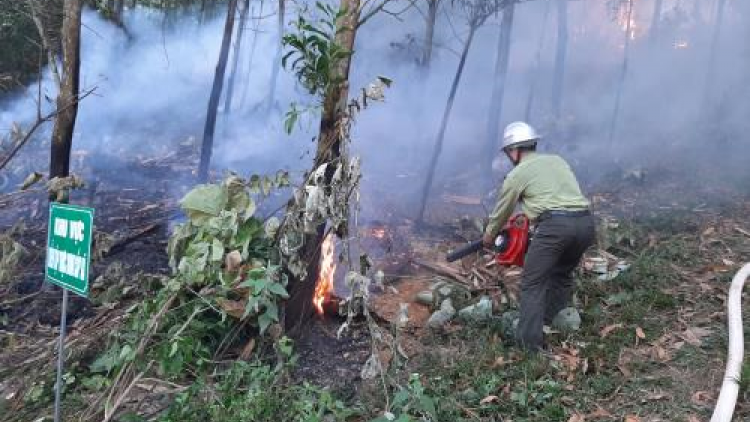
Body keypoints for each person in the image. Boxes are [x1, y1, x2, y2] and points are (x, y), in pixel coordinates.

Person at [482, 121, 595, 352]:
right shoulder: (557, 160)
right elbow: (557, 194)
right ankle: (554, 322)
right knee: (561, 273)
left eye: (508, 152)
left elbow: (503, 210)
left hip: (555, 228)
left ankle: (529, 349)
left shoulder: (517, 174)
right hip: (585, 224)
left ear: (514, 150)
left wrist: (489, 234)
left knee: (532, 284)